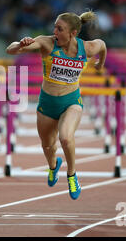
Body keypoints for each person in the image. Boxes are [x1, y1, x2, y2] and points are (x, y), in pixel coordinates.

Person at [6, 11, 107, 200]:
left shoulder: (87, 48)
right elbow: (10, 50)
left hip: (71, 102)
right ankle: (53, 166)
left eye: (60, 29)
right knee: (48, 146)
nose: (55, 32)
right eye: (55, 27)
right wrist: (21, 44)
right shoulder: (47, 42)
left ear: (73, 33)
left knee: (66, 138)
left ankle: (72, 174)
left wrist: (100, 64)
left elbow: (102, 46)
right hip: (47, 103)